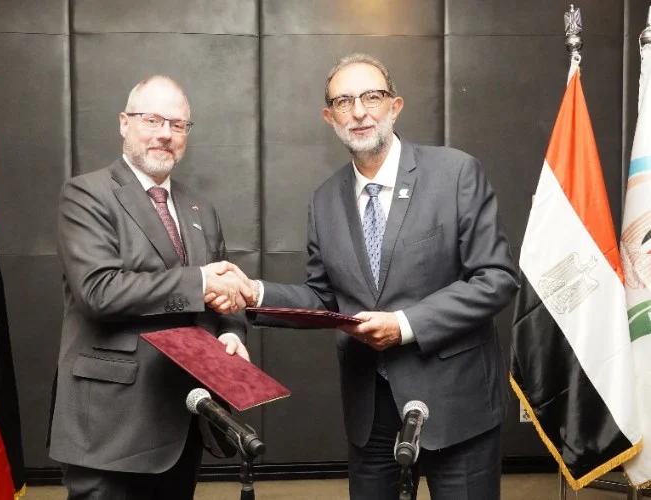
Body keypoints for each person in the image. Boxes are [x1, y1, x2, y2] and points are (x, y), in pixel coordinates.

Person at [212, 54, 520, 499]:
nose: (359, 112)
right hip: (371, 412)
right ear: (329, 117)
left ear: (395, 106)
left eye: (371, 97)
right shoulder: (324, 201)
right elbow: (324, 298)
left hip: (457, 404)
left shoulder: (455, 173)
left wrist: (405, 325)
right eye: (344, 102)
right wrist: (253, 292)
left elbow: (495, 278)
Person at [48, 75, 253, 500]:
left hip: (185, 417)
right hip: (111, 427)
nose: (165, 134)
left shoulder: (201, 208)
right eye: (152, 120)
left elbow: (223, 296)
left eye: (177, 125)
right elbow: (99, 292)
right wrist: (200, 281)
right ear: (125, 123)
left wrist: (231, 333)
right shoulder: (86, 195)